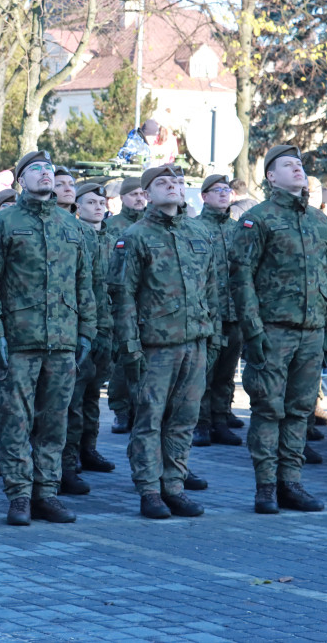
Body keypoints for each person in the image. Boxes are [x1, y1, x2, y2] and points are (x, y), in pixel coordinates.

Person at [0, 149, 96, 526]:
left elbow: (84, 283)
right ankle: (19, 495)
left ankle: (46, 492)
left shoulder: (71, 226)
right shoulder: (4, 223)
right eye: (36, 169)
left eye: (50, 170)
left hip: (62, 342)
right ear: (19, 180)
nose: (45, 174)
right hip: (19, 341)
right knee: (15, 421)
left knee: (55, 422)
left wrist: (87, 330)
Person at [229, 145, 327, 514]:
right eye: (288, 166)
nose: (298, 170)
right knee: (268, 410)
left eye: (301, 165)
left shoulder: (319, 222)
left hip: (311, 330)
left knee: (299, 411)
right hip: (273, 330)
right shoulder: (257, 219)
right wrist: (253, 330)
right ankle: (265, 488)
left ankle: (291, 482)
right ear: (271, 177)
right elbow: (241, 277)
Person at [110, 164, 218, 519]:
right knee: (150, 419)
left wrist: (212, 335)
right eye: (162, 183)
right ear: (147, 193)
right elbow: (123, 295)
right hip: (155, 345)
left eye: (177, 182)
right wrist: (130, 346)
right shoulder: (137, 236)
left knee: (184, 419)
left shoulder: (199, 233)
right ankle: (149, 490)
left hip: (195, 342)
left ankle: (174, 485)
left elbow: (213, 288)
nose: (172, 186)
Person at [61, 182, 115, 496]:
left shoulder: (113, 239)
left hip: (106, 329)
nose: (98, 207)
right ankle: (68, 460)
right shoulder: (75, 235)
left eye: (101, 202)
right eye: (90, 202)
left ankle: (88, 448)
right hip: (80, 328)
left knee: (93, 395)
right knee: (73, 400)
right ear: (77, 207)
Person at [192, 175, 243, 448]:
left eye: (227, 190)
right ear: (204, 196)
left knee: (226, 373)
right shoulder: (193, 228)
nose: (224, 194)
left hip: (233, 313)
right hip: (206, 314)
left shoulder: (239, 229)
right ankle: (200, 423)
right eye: (217, 190)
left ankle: (221, 420)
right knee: (204, 373)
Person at [106, 176, 147, 435]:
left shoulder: (151, 225)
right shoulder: (112, 226)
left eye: (143, 194)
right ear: (122, 198)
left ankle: (139, 408)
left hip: (148, 303)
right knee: (123, 361)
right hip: (121, 302)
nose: (140, 198)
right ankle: (121, 410)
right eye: (134, 195)